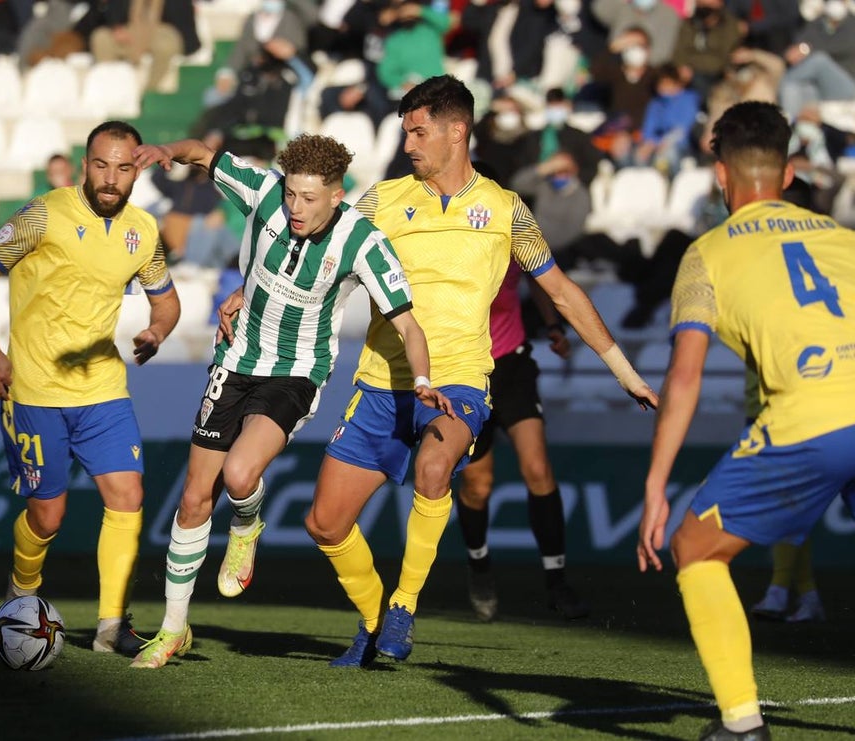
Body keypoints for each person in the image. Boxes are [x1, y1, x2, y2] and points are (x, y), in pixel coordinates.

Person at [305, 74, 657, 669]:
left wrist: (622, 369)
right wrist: (245, 293)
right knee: (323, 522)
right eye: (405, 132)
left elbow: (563, 293)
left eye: (419, 132)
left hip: (460, 380)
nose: (409, 144)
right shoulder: (381, 201)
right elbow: (313, 250)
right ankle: (371, 620)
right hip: (378, 382)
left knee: (435, 467)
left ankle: (404, 607)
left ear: (456, 129)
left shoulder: (505, 210)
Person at [638, 100, 855, 741]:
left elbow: (686, 377)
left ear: (721, 176)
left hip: (813, 420)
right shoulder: (848, 239)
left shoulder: (706, 255)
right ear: (785, 174)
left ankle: (743, 726)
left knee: (696, 549)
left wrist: (655, 485)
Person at [126, 132, 451, 670]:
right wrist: (167, 151)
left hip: (296, 374)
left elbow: (408, 325)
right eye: (291, 195)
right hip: (233, 361)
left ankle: (247, 522)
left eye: (308, 199)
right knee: (191, 499)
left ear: (337, 195)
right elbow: (204, 155)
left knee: (238, 475)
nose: (295, 208)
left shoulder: (363, 242)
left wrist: (420, 382)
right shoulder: (262, 191)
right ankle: (172, 629)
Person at [0, 120, 181, 657]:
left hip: (103, 388)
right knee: (48, 515)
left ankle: (111, 627)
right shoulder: (44, 213)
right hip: (34, 389)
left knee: (128, 497)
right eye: (101, 165)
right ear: (85, 165)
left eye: (123, 167)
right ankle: (23, 591)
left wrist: (157, 330)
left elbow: (166, 300)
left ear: (138, 169)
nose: (110, 178)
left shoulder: (144, 232)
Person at [455, 260, 590, 623]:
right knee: (477, 485)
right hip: (464, 371)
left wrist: (552, 326)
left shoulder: (511, 226)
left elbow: (539, 277)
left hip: (513, 366)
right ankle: (479, 565)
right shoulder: (450, 233)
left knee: (537, 468)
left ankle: (557, 582)